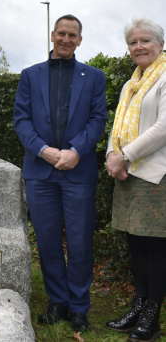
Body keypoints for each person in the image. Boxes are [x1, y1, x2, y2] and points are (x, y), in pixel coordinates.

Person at [13, 15, 107, 332]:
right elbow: (21, 120)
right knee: (48, 240)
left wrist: (75, 152)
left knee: (80, 242)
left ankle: (79, 307)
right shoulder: (29, 75)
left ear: (80, 40)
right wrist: (44, 150)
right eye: (62, 33)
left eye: (73, 35)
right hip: (40, 173)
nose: (66, 39)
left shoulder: (94, 77)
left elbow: (97, 120)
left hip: (78, 171)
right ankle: (58, 302)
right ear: (52, 35)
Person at [105, 17, 166, 342]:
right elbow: (118, 130)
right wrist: (113, 159)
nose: (138, 47)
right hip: (128, 174)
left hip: (156, 176)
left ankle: (152, 315)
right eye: (133, 42)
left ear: (160, 44)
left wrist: (123, 155)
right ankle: (139, 305)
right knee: (135, 244)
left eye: (145, 41)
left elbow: (163, 127)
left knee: (155, 247)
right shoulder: (132, 84)